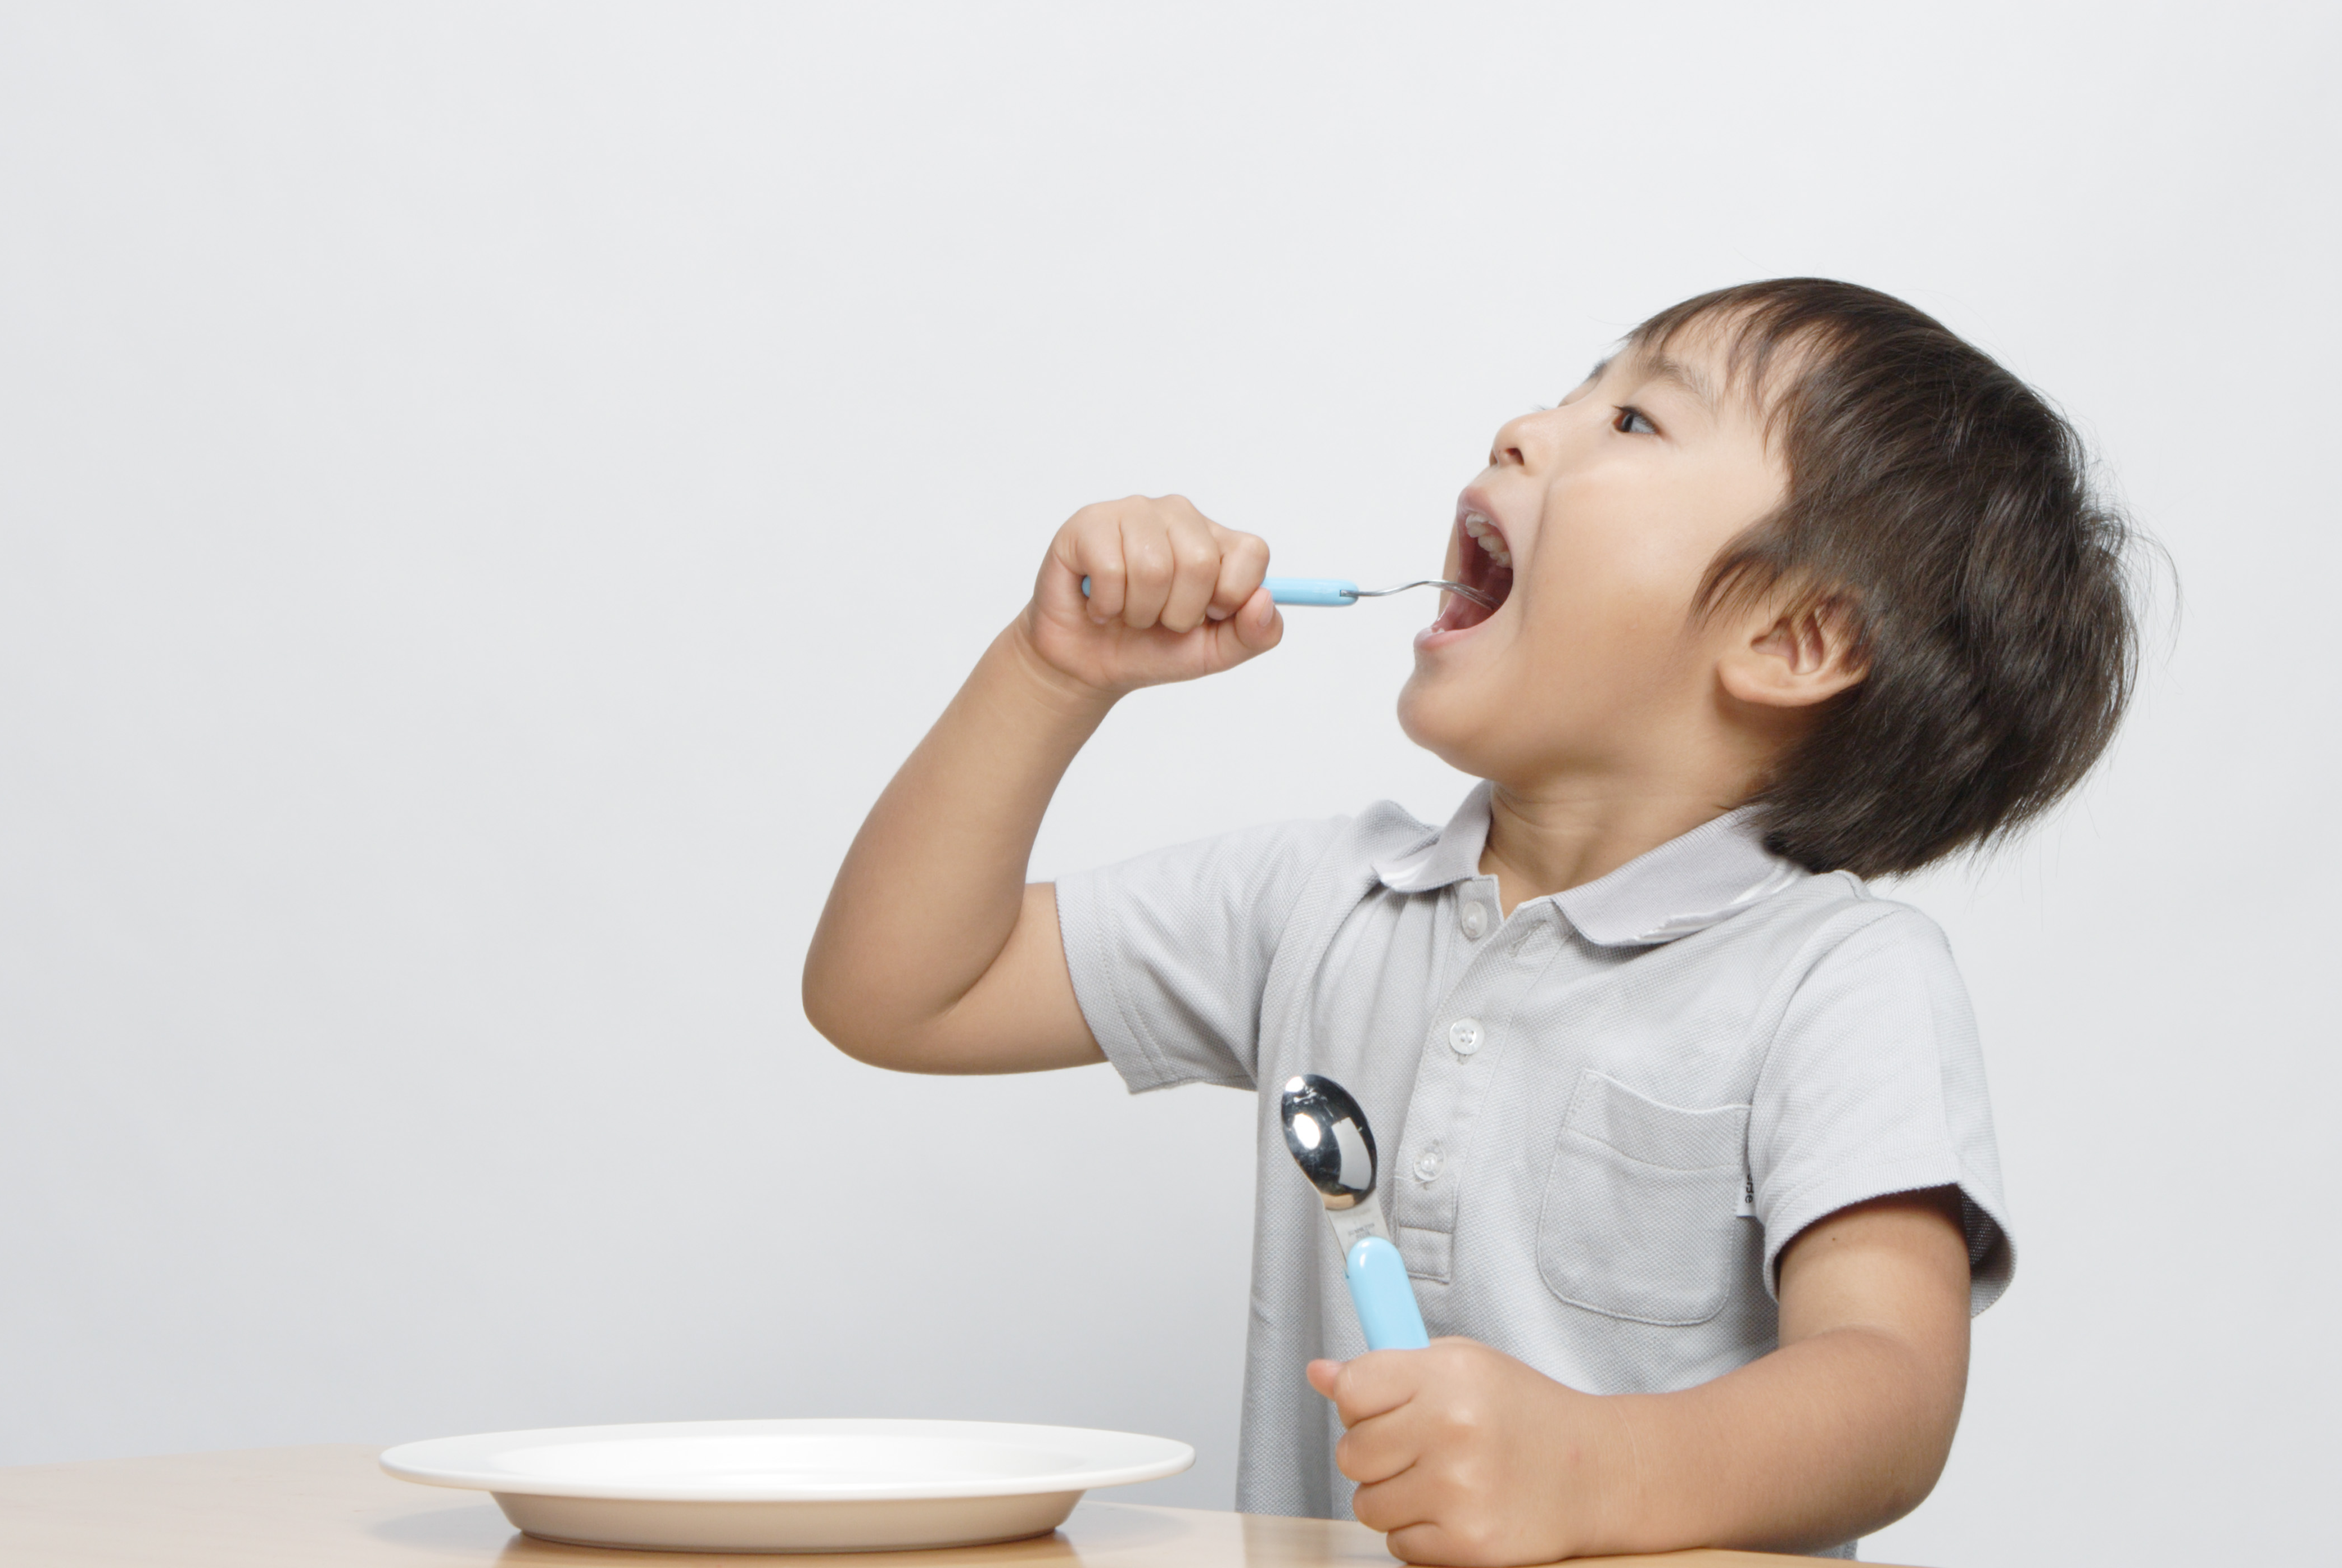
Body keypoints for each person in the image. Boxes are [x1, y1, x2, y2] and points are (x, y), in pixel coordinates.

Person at [802, 278, 2140, 1564]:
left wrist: (1593, 1468)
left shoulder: (1839, 979)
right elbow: (899, 991)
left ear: (1792, 638)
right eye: (1577, 390)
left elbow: (1892, 1390)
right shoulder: (1318, 905)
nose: (1523, 425)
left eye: (1635, 420)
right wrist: (1052, 671)